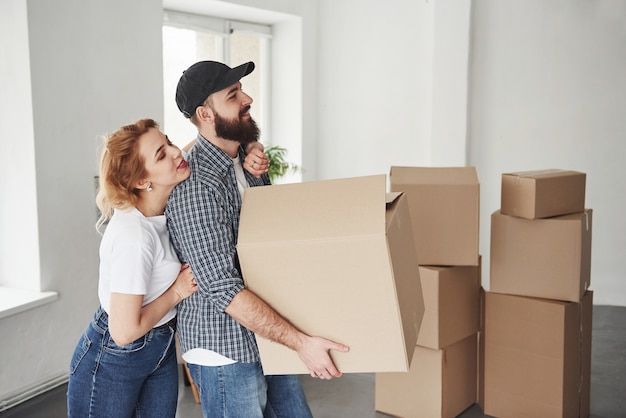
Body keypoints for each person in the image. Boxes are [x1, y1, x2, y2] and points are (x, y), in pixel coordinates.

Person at [165, 60, 350, 418]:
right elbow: (223, 288)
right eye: (233, 94)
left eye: (242, 89)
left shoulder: (243, 161)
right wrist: (301, 343)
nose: (247, 98)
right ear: (205, 113)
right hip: (224, 348)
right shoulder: (197, 187)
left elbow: (265, 243)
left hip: (265, 331)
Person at [66, 119, 266, 417]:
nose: (175, 153)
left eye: (169, 142)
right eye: (161, 154)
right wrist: (176, 292)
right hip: (113, 359)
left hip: (158, 348)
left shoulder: (159, 201)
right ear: (141, 181)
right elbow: (123, 332)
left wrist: (250, 146)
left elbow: (201, 146)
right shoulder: (134, 236)